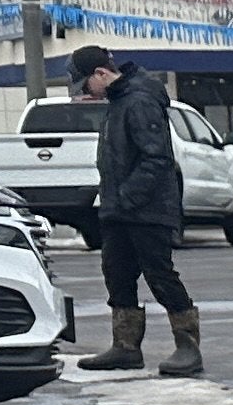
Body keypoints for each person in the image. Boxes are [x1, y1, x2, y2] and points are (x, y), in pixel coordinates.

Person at [68, 42, 204, 377]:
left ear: (101, 73)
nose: (85, 92)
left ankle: (189, 347)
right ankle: (126, 346)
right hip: (119, 209)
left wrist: (127, 197)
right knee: (117, 272)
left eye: (85, 84)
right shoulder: (119, 101)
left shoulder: (139, 101)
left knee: (159, 274)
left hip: (147, 210)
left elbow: (156, 158)